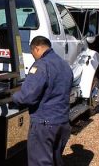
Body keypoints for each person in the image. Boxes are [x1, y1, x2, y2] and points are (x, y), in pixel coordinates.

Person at [12, 36, 73, 166]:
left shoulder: (41, 65)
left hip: (45, 125)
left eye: (33, 53)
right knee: (55, 160)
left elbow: (27, 97)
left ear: (37, 48)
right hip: (62, 123)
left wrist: (13, 97)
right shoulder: (65, 65)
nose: (34, 56)